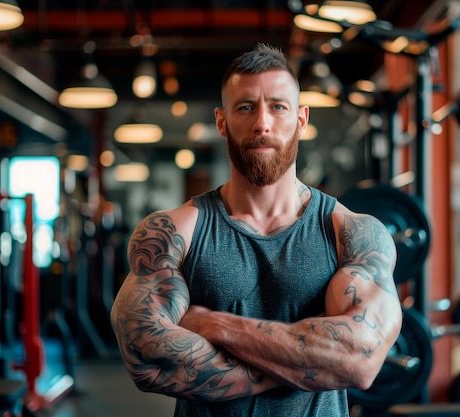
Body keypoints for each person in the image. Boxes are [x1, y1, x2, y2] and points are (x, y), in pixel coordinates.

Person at [110, 43, 402, 417]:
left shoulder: (351, 233)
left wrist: (215, 325)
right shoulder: (174, 231)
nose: (262, 123)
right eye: (246, 107)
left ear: (301, 119)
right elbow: (147, 358)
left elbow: (359, 360)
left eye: (278, 107)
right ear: (222, 121)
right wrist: (314, 364)